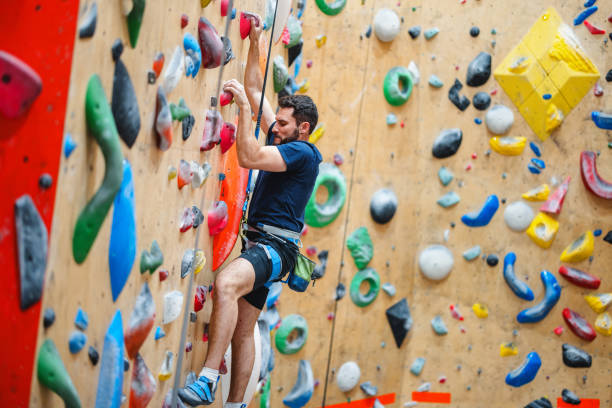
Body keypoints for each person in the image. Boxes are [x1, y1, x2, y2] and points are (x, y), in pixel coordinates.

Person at [178, 13, 322, 408]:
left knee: (225, 284)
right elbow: (257, 88)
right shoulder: (288, 138)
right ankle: (236, 403)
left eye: (285, 123)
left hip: (276, 248)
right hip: (266, 243)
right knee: (244, 330)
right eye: (279, 121)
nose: (276, 126)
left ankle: (207, 380)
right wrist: (258, 40)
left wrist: (242, 108)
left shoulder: (303, 153)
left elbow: (249, 154)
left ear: (304, 129)